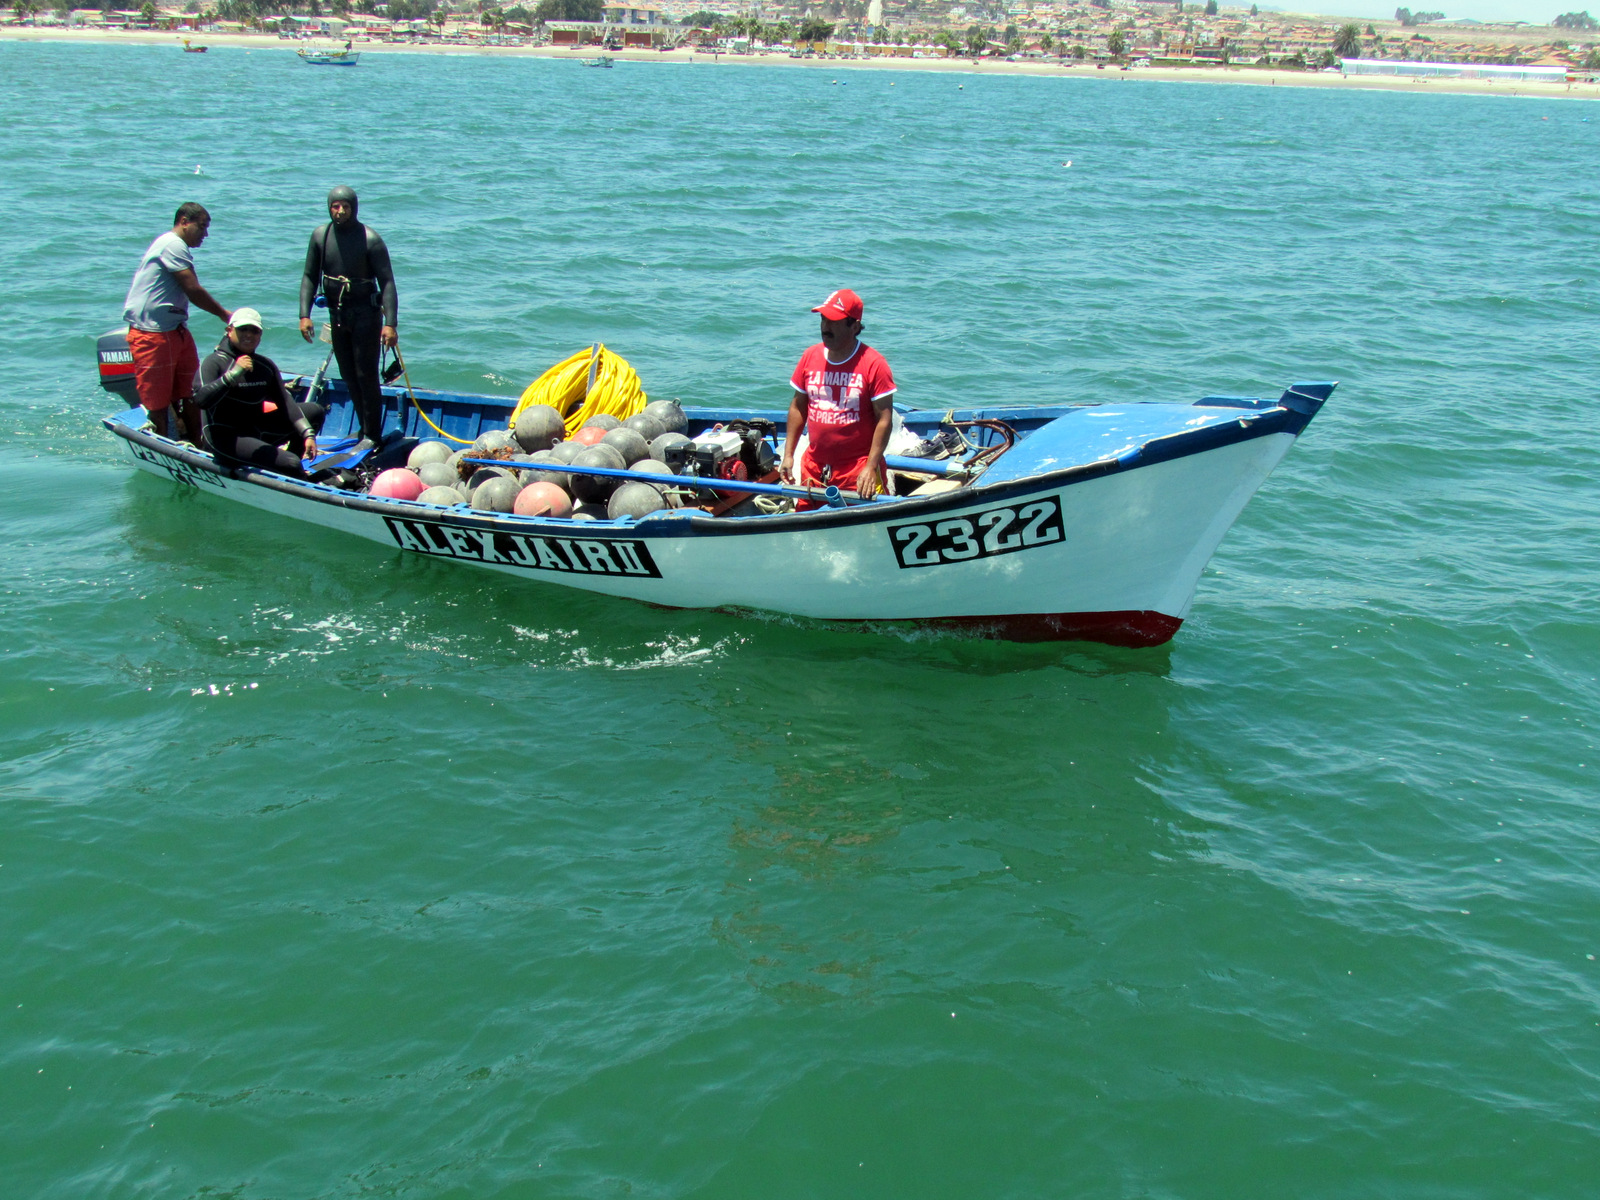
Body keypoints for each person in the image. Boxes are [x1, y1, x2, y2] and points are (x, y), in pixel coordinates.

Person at [122, 202, 232, 443]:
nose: (205, 234)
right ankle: (163, 447)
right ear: (184, 221)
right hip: (151, 334)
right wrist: (225, 315)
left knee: (192, 393)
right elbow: (192, 289)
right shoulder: (172, 244)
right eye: (202, 227)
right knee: (158, 403)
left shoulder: (178, 247)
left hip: (176, 331)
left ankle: (196, 443)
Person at [298, 185, 398, 451]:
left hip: (366, 316)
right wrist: (304, 315)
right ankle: (364, 429)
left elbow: (387, 282)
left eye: (345, 206)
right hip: (337, 315)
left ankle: (373, 435)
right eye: (335, 206)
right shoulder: (321, 236)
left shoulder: (370, 239)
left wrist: (390, 324)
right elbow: (309, 276)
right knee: (347, 374)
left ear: (354, 208)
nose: (340, 211)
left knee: (366, 376)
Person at [781, 288, 897, 500]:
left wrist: (871, 467)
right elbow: (798, 407)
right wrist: (788, 455)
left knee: (866, 525)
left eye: (834, 321)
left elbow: (884, 420)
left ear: (854, 326)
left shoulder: (874, 364)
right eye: (824, 319)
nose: (826, 326)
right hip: (814, 468)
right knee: (807, 524)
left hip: (858, 470)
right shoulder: (810, 356)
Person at [194, 308, 324, 479]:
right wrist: (232, 375)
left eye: (254, 330)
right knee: (290, 462)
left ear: (260, 334)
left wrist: (307, 434)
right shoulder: (214, 363)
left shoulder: (264, 366)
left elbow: (285, 402)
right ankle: (293, 472)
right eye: (243, 329)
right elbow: (201, 400)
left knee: (315, 411)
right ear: (229, 330)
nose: (249, 335)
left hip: (256, 430)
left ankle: (290, 472)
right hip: (225, 439)